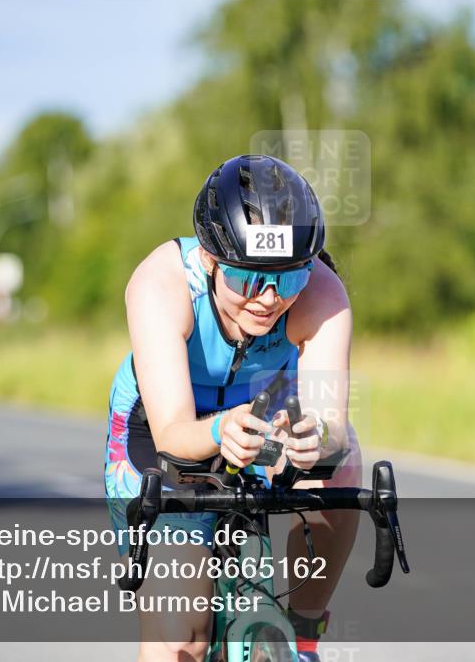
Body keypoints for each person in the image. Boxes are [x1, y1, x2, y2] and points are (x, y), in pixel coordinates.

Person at [104, 155, 361, 662]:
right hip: (162, 428)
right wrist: (221, 429)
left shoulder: (323, 293)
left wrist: (312, 437)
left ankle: (303, 636)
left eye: (287, 279)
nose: (268, 299)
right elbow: (175, 432)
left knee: (341, 464)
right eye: (248, 279)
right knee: (183, 637)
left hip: (266, 411)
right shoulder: (160, 285)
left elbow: (332, 426)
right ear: (209, 259)